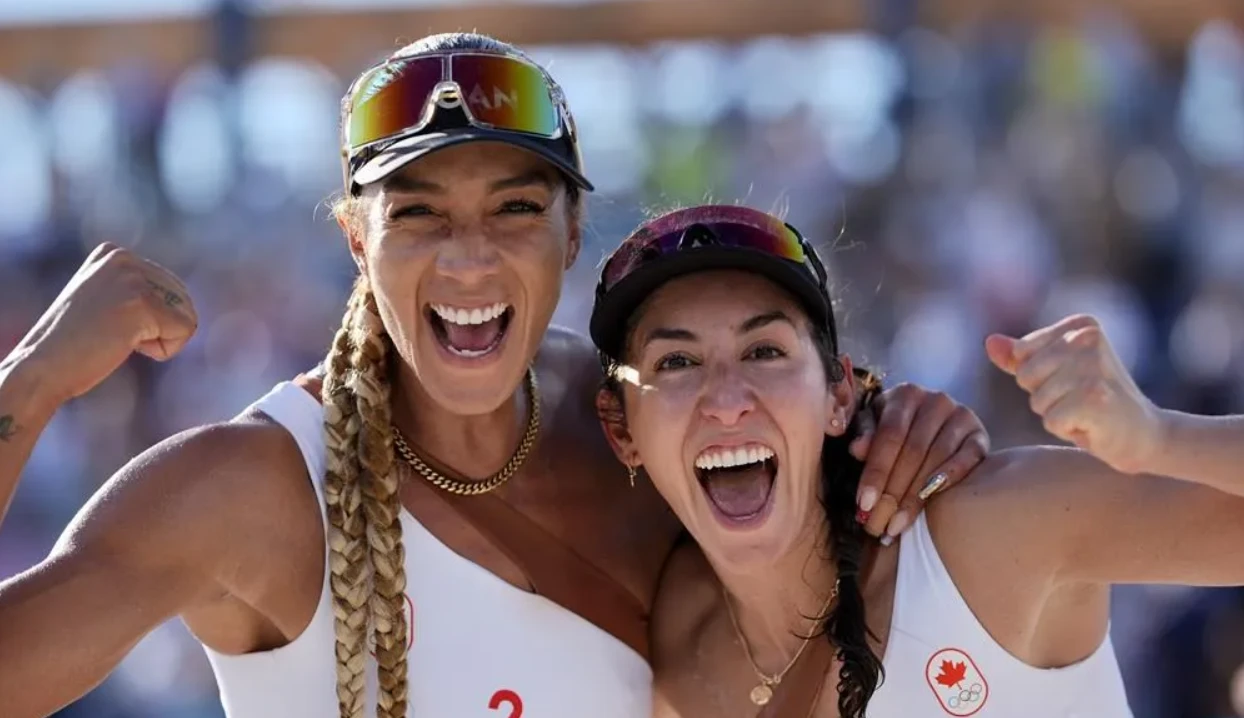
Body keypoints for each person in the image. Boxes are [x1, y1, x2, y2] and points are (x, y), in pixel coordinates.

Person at [0, 34, 991, 718]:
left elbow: (830, 592)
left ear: (569, 233)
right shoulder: (249, 491)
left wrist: (904, 429)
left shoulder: (645, 422)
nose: (468, 261)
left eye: (513, 210)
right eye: (419, 214)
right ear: (356, 239)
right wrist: (33, 379)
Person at [588, 204, 1244, 718]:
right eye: (677, 362)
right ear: (622, 432)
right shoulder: (668, 630)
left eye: (765, 352)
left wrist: (1157, 438)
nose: (727, 400)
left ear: (839, 396)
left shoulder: (982, 537)